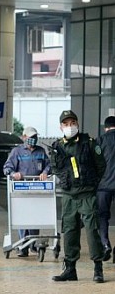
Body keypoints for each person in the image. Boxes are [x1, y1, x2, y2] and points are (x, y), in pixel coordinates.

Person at [50, 110, 109, 283]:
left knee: (92, 231)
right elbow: (56, 168)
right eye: (66, 124)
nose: (70, 126)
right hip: (68, 196)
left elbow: (101, 166)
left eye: (72, 123)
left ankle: (98, 268)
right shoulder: (57, 147)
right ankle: (70, 269)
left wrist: (92, 184)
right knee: (69, 231)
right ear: (61, 127)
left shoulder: (89, 143)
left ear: (77, 123)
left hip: (87, 194)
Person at [3, 126, 51, 257]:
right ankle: (22, 246)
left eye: (35, 137)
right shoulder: (17, 152)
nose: (33, 140)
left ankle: (33, 245)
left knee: (35, 217)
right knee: (23, 218)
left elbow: (49, 165)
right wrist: (14, 174)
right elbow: (6, 168)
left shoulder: (41, 151)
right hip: (21, 190)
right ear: (24, 137)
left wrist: (45, 172)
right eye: (31, 137)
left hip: (36, 189)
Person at [98, 116, 115, 261]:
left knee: (102, 216)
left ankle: (105, 244)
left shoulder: (100, 141)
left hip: (103, 186)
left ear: (106, 127)